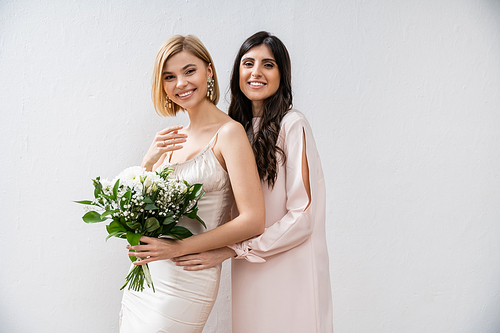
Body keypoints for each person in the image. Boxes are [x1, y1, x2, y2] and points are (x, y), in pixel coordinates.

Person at [172, 31, 334, 332]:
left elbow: (304, 215)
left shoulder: (292, 124)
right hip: (249, 267)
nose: (256, 72)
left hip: (290, 266)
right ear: (237, 72)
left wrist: (237, 248)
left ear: (282, 75)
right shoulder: (236, 130)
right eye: (248, 63)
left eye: (268, 65)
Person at [119, 35, 265, 333]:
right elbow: (140, 212)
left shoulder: (230, 133)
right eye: (169, 77)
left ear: (209, 71)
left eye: (189, 71)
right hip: (146, 279)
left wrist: (177, 249)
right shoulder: (170, 140)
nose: (181, 83)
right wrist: (147, 162)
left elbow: (253, 219)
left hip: (187, 278)